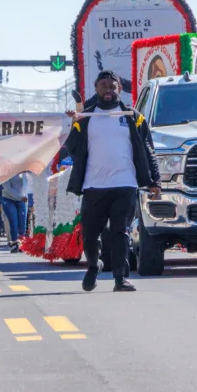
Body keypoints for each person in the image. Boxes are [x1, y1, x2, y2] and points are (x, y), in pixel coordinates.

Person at [64, 70, 161, 293]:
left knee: (121, 232)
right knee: (90, 234)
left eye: (112, 86)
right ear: (96, 89)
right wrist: (73, 122)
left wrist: (155, 181)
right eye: (103, 86)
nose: (108, 90)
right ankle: (93, 265)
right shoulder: (86, 116)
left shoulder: (133, 116)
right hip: (93, 185)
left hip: (125, 184)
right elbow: (72, 148)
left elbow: (149, 150)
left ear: (119, 89)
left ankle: (120, 278)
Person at [0, 173, 28, 253]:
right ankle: (15, 243)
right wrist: (20, 197)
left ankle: (22, 242)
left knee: (22, 223)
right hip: (8, 199)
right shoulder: (6, 173)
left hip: (21, 200)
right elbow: (7, 189)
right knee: (13, 222)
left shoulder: (24, 173)